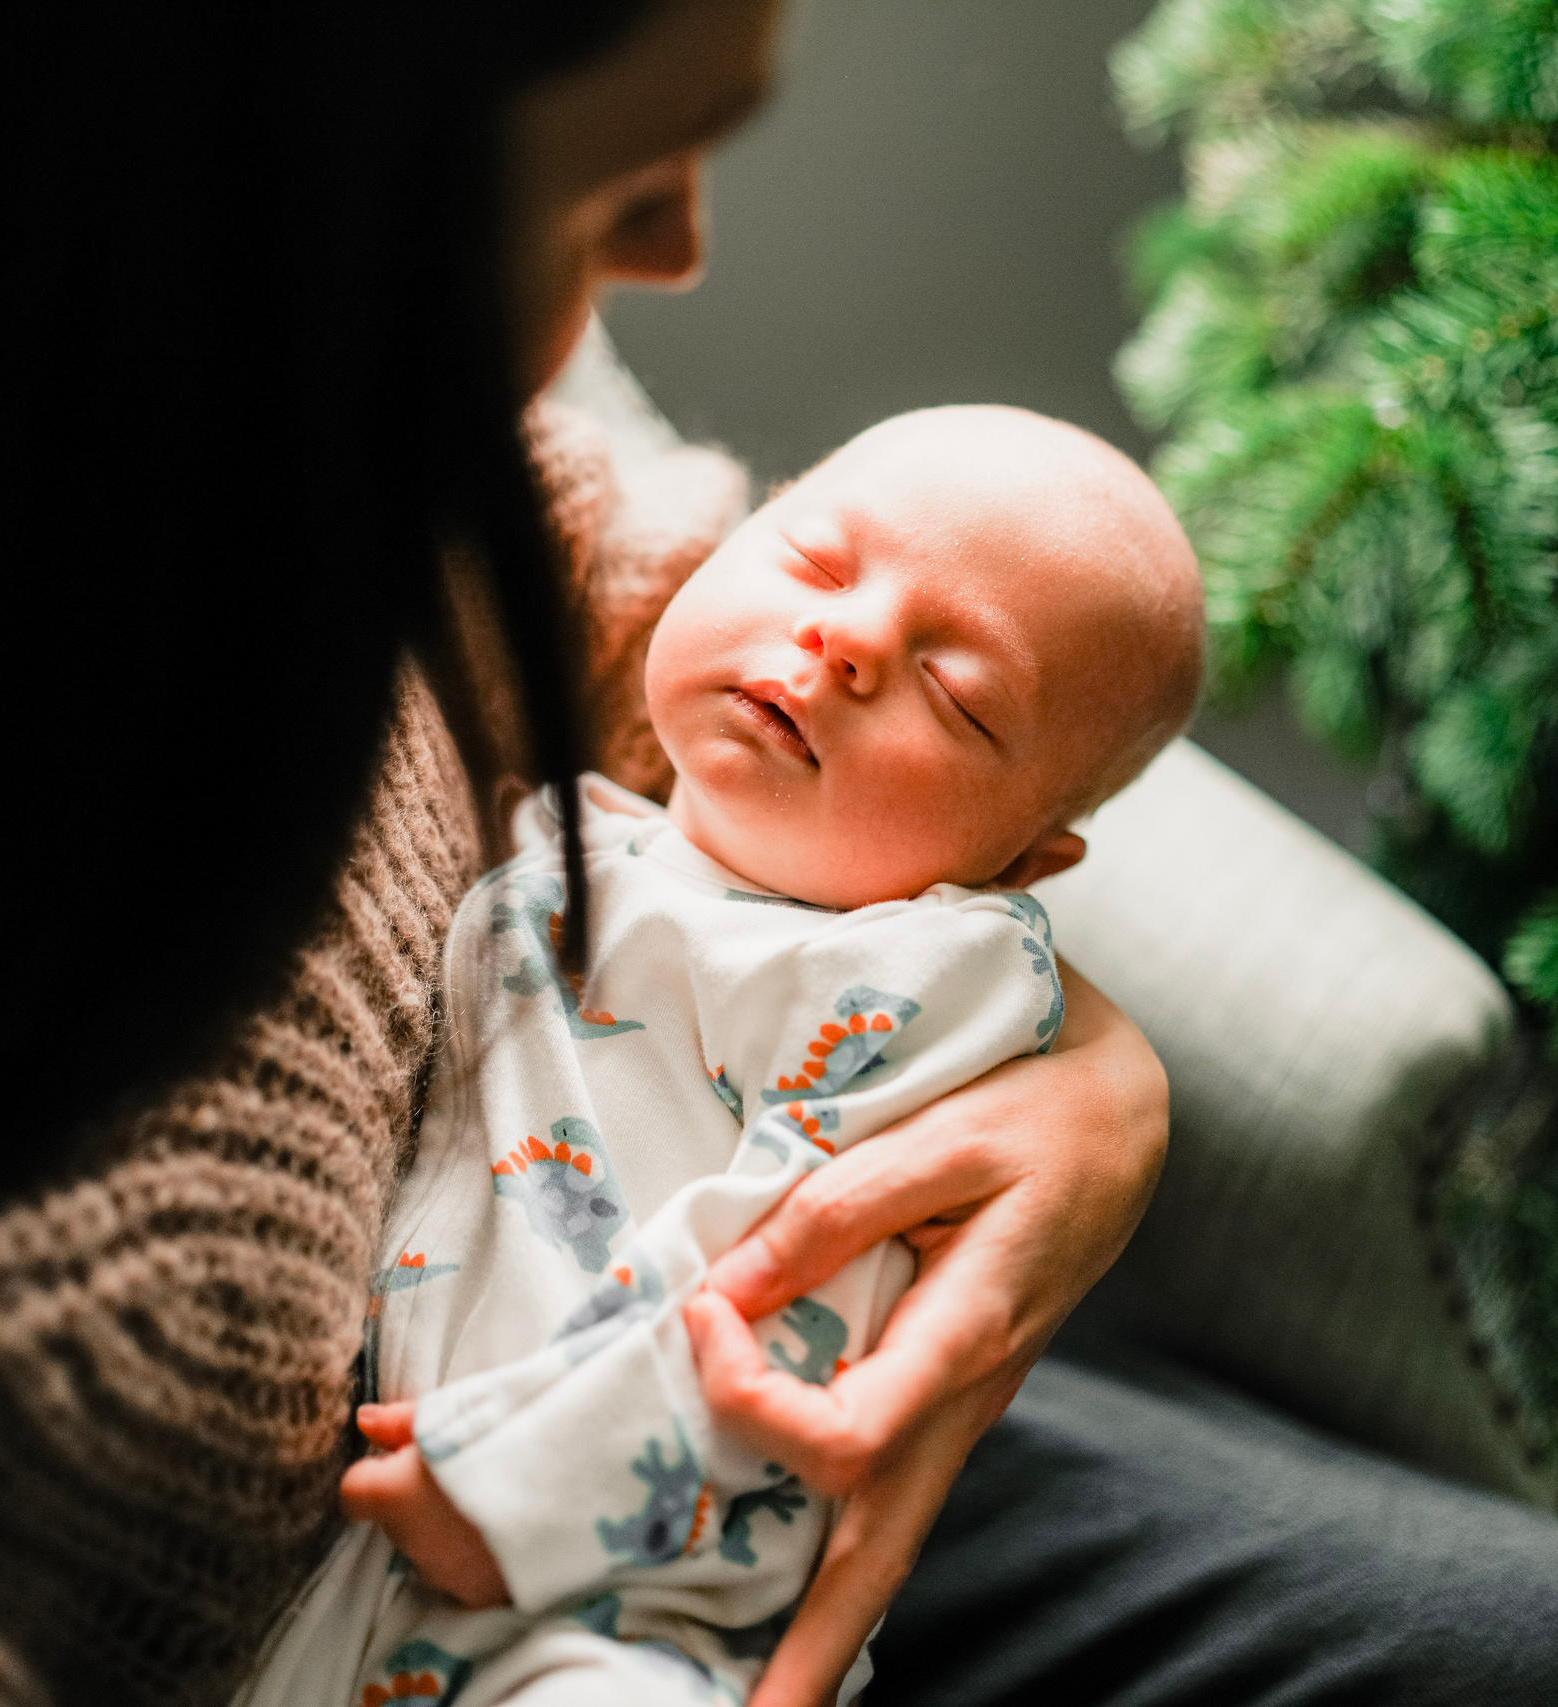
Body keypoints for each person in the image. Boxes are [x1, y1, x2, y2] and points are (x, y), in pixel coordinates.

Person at [0, 3, 1558, 1704]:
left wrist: (1082, 1075)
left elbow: (681, 622)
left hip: (710, 1489)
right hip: (380, 1570)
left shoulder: (349, 427)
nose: (681, 258)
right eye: (619, 183)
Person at [239, 405, 1202, 1707]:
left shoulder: (920, 980)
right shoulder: (563, 837)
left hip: (637, 1611)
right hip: (364, 1560)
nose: (850, 639)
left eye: (959, 696)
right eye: (813, 559)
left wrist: (528, 1491)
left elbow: (813, 1294)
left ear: (1023, 863)